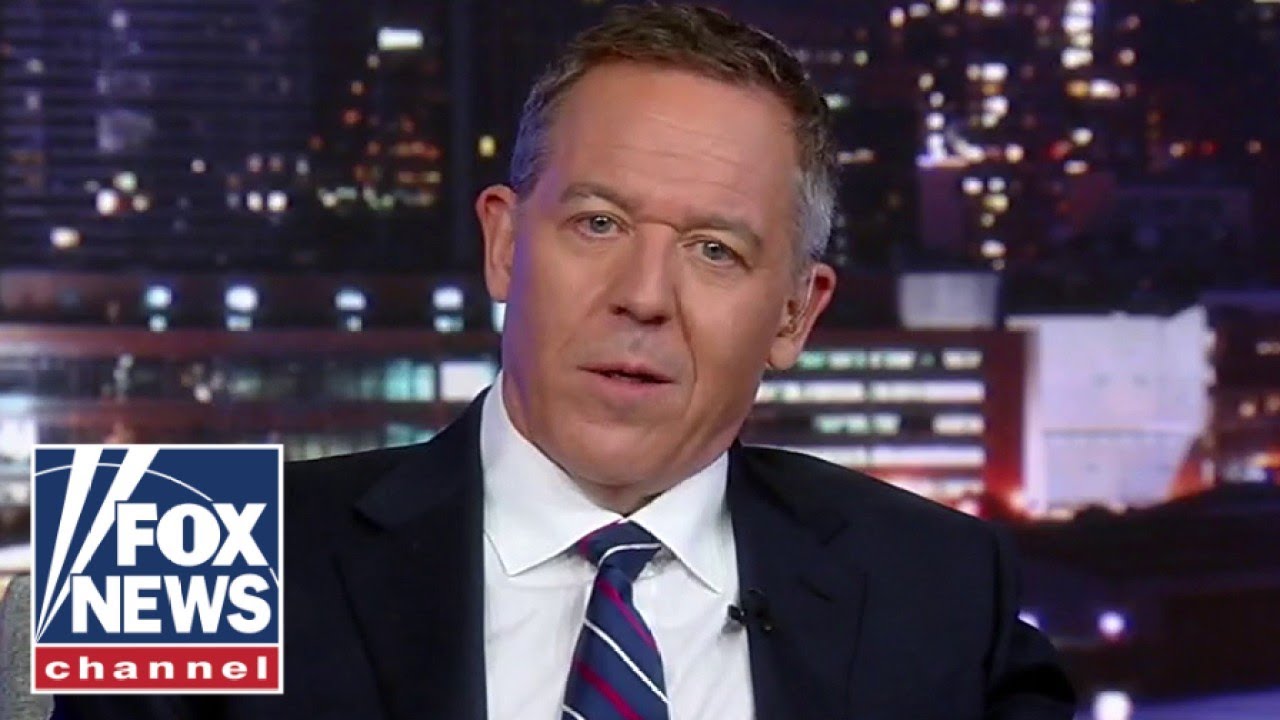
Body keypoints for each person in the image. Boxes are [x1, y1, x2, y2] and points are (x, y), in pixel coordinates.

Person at [53, 4, 1076, 718]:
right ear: (505, 244)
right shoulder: (169, 546)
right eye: (598, 223)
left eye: (714, 251)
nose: (643, 295)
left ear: (792, 316)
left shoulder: (940, 587)